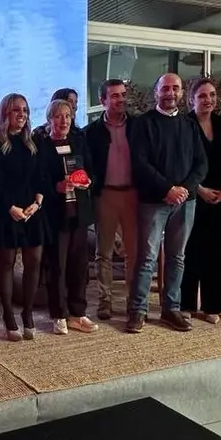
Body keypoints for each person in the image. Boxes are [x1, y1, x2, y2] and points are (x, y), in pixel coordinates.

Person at [126, 73, 208, 334]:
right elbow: (140, 164)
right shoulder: (143, 124)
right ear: (156, 92)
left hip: (186, 201)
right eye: (165, 88)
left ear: (182, 93)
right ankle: (137, 310)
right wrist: (167, 189)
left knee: (177, 257)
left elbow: (201, 164)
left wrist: (183, 189)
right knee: (147, 257)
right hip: (153, 201)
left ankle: (171, 308)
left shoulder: (190, 125)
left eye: (175, 88)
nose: (170, 93)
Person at [0, 94, 51, 340]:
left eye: (24, 110)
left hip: (33, 211)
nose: (21, 115)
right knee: (7, 265)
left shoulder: (34, 143)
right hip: (5, 213)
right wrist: (9, 207)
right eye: (15, 110)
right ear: (5, 114)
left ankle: (28, 313)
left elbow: (43, 177)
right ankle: (9, 315)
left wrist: (38, 202)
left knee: (33, 263)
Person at [34, 99, 99, 335]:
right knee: (57, 267)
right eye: (59, 116)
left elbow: (91, 169)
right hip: (55, 214)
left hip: (79, 214)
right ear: (50, 119)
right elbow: (38, 179)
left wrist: (89, 180)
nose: (63, 121)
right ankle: (58, 314)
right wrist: (56, 187)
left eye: (68, 116)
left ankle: (78, 313)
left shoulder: (79, 142)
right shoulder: (41, 145)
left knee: (79, 266)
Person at [180, 78, 221, 324]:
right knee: (190, 251)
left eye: (211, 94)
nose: (208, 100)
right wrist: (199, 189)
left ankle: (213, 305)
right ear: (191, 99)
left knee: (218, 253)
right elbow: (179, 163)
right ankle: (187, 304)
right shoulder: (183, 124)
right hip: (193, 196)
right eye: (202, 95)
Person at [85, 79, 138, 320]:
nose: (120, 99)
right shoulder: (92, 132)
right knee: (103, 252)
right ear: (102, 101)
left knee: (132, 252)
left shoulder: (138, 126)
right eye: (114, 96)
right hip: (105, 195)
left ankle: (132, 301)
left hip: (133, 195)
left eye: (123, 94)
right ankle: (105, 301)